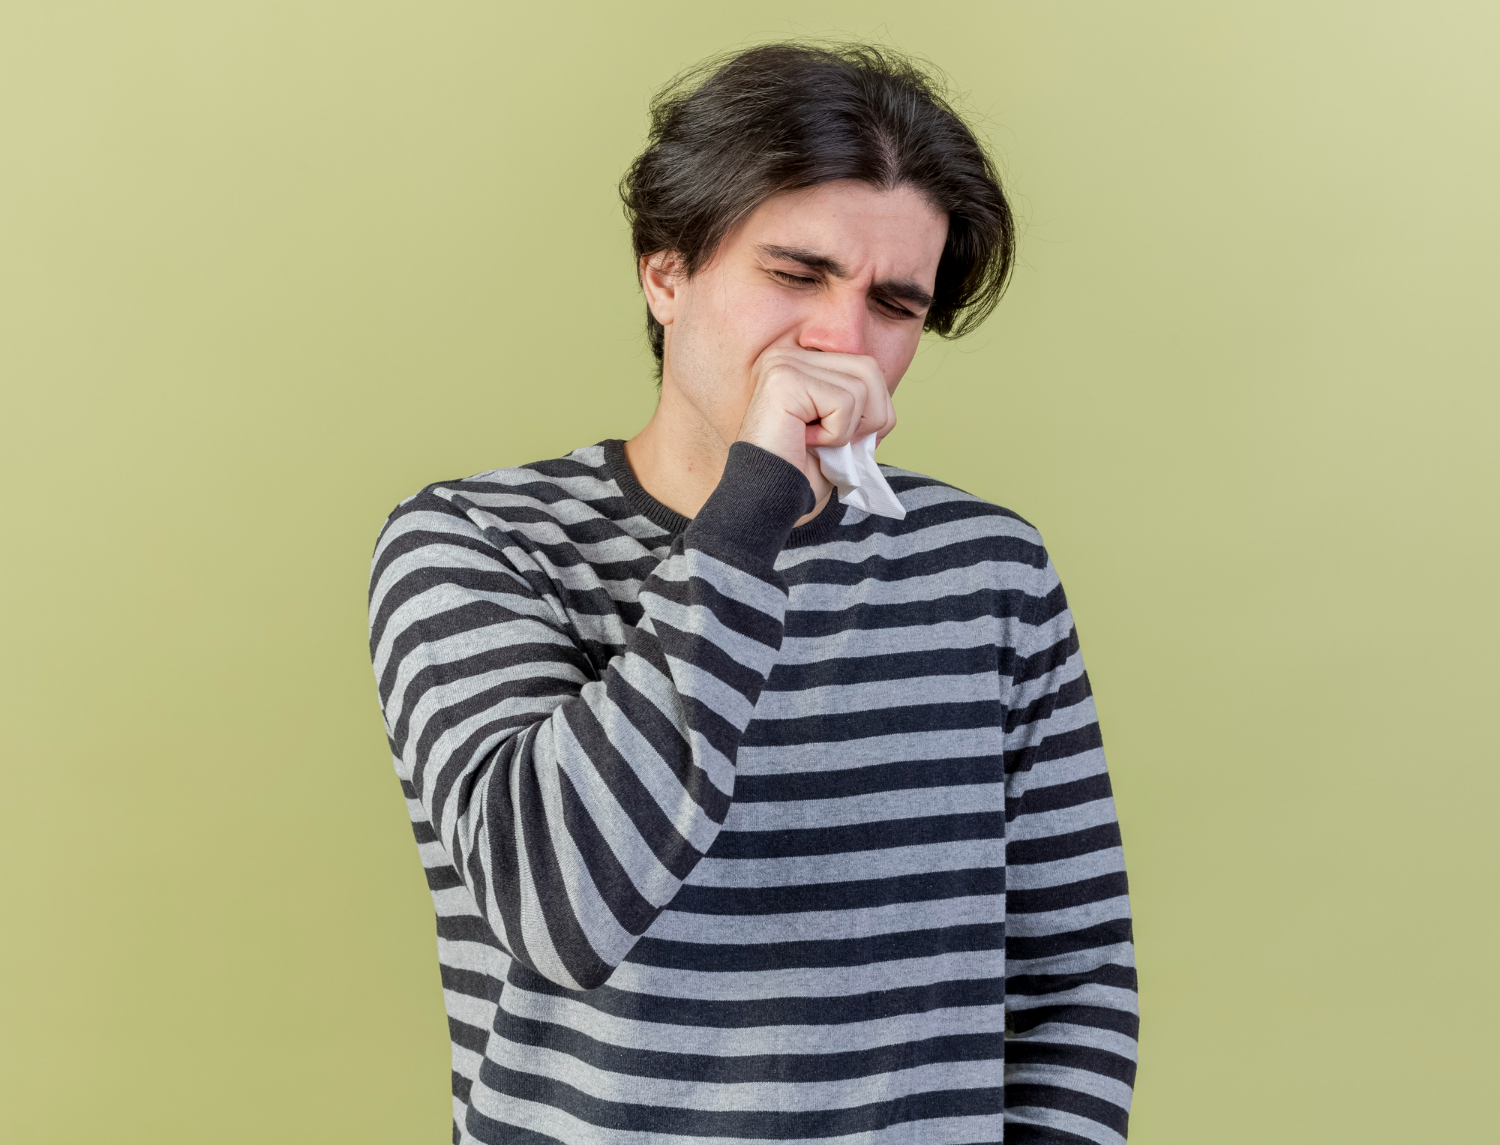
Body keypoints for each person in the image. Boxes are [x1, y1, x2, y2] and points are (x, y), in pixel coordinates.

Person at [368, 42, 1137, 1145]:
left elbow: (1075, 980)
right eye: (797, 275)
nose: (842, 339)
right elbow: (563, 910)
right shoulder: (476, 544)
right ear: (666, 271)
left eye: (895, 303)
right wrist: (753, 508)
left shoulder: (989, 572)